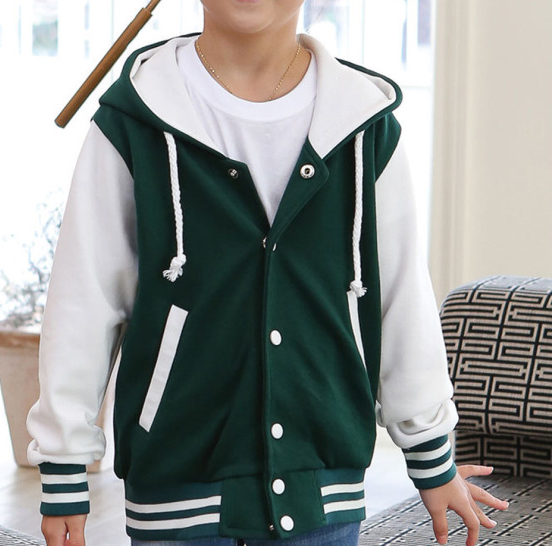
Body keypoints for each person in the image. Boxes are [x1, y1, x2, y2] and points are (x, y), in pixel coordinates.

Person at [27, 1, 509, 545]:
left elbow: (401, 298)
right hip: (177, 485)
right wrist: (63, 465)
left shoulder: (366, 124)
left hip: (321, 492)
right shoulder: (133, 120)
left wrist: (431, 454)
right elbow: (83, 300)